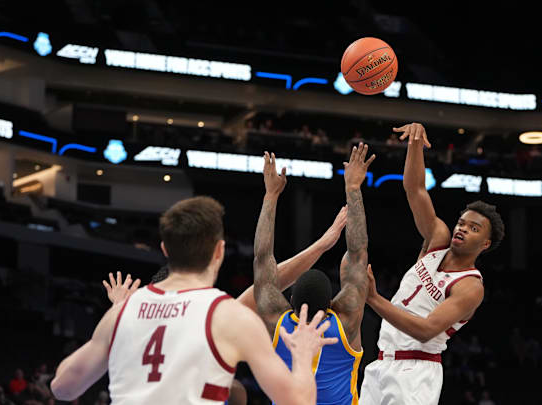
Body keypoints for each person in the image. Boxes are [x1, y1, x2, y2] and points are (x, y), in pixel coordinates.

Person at [50, 195, 338, 405]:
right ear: (219, 252)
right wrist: (302, 355)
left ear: (164, 248)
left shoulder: (122, 314)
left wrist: (116, 321)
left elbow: (62, 388)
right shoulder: (229, 317)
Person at [359, 123, 505, 405]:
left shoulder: (470, 286)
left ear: (485, 244)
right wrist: (414, 143)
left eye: (474, 228)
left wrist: (374, 299)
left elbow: (427, 330)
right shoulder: (437, 239)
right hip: (380, 362)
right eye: (462, 222)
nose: (462, 229)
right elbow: (415, 189)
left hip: (416, 372)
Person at [253, 145, 374, 404]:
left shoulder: (277, 323)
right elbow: (358, 252)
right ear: (332, 303)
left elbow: (263, 260)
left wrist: (271, 195)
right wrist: (353, 188)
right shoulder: (346, 321)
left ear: (291, 300)